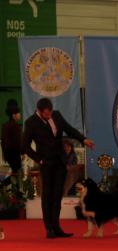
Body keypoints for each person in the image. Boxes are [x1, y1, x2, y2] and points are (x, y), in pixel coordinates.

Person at [22, 97, 95, 239]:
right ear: (39, 111)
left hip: (60, 162)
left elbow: (69, 129)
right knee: (47, 195)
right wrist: (40, 159)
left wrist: (83, 139)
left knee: (57, 195)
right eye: (46, 114)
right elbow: (24, 146)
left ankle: (56, 227)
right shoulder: (30, 123)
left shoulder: (57, 115)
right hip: (46, 163)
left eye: (50, 112)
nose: (49, 115)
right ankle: (48, 228)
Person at [1, 99, 23, 180]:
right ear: (13, 115)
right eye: (18, 113)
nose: (20, 115)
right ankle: (4, 185)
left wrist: (4, 154)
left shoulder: (4, 125)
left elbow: (3, 141)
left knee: (13, 172)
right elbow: (18, 141)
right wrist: (23, 152)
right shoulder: (16, 126)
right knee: (16, 174)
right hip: (15, 153)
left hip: (7, 153)